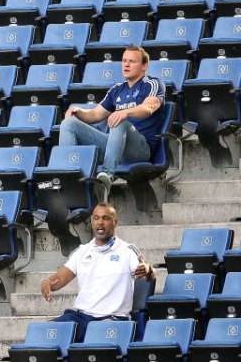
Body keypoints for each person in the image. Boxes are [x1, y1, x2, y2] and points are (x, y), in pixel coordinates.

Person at [41, 202, 155, 342]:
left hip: (113, 318)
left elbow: (148, 276)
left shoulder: (127, 251)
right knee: (47, 334)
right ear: (91, 221)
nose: (100, 222)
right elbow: (59, 278)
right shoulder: (82, 251)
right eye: (96, 218)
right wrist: (47, 282)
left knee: (96, 339)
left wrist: (148, 270)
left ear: (115, 222)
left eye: (105, 218)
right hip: (81, 317)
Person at [59, 45, 166, 188]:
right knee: (69, 124)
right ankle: (69, 175)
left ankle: (107, 175)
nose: (126, 65)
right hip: (113, 148)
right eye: (124, 61)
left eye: (132, 61)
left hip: (139, 150)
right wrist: (78, 111)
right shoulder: (117, 89)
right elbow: (95, 115)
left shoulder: (153, 84)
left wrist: (125, 112)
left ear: (144, 65)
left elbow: (149, 107)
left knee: (120, 122)